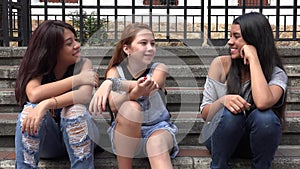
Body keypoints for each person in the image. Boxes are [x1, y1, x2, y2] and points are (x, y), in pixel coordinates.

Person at [199, 12, 288, 169]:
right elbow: (205, 113)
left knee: (265, 117)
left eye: (236, 36)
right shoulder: (220, 64)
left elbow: (262, 102)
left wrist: (253, 59)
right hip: (219, 138)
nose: (230, 42)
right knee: (231, 114)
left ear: (254, 40)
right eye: (230, 36)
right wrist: (222, 101)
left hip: (253, 144)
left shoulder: (276, 74)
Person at [89, 23, 179, 169]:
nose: (150, 48)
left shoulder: (159, 68)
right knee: (131, 108)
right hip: (126, 136)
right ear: (127, 49)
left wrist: (112, 84)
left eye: (153, 43)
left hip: (157, 129)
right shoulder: (115, 71)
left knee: (156, 143)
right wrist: (132, 90)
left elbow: (151, 86)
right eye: (143, 43)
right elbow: (113, 104)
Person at [14, 20, 99, 169]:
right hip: (49, 143)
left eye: (76, 40)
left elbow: (84, 95)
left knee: (75, 110)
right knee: (29, 111)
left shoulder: (84, 64)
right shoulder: (39, 68)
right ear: (52, 49)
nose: (77, 45)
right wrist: (76, 79)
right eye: (69, 43)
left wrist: (47, 103)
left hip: (82, 138)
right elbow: (33, 94)